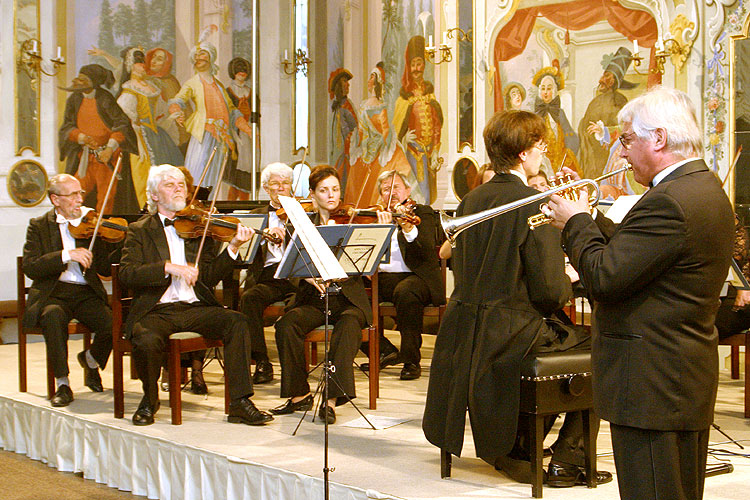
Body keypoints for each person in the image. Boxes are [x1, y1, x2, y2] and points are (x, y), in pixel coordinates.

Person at [547, 86, 734, 500]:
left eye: (628, 139)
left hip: (651, 383)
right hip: (679, 376)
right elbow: (647, 255)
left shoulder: (667, 201)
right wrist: (592, 217)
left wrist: (575, 223)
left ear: (660, 139)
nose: (622, 151)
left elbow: (604, 277)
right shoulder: (703, 188)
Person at [423, 110, 611, 487]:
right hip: (510, 332)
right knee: (603, 347)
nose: (542, 153)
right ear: (524, 154)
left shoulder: (472, 200)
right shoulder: (533, 204)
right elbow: (548, 293)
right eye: (539, 146)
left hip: (466, 327)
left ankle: (520, 446)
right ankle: (568, 460)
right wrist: (570, 277)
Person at [119, 164, 273, 427]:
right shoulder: (140, 230)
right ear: (155, 195)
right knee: (145, 339)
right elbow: (127, 274)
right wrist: (167, 267)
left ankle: (240, 402)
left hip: (194, 308)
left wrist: (233, 247)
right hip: (157, 310)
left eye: (181, 185)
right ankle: (149, 399)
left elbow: (210, 277)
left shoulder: (199, 228)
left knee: (237, 322)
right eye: (170, 185)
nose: (179, 188)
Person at [271, 165, 372, 424]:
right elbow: (290, 268)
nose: (331, 196)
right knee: (286, 325)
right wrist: (307, 275)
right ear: (313, 195)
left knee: (348, 324)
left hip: (348, 299)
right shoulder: (300, 225)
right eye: (324, 190)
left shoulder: (353, 223)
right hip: (315, 299)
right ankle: (299, 394)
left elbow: (369, 263)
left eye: (335, 189)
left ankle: (331, 399)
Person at [22, 174, 119, 407]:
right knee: (53, 316)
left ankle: (91, 360)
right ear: (56, 199)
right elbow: (31, 266)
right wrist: (66, 255)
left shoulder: (89, 224)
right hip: (53, 293)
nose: (79, 199)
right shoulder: (39, 225)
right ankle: (63, 383)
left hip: (85, 292)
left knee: (113, 324)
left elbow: (105, 269)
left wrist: (109, 241)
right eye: (73, 194)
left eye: (80, 193)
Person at [361, 170, 444, 380]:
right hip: (383, 279)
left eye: (396, 187)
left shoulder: (422, 213)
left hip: (417, 277)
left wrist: (407, 229)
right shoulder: (377, 217)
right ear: (380, 195)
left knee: (406, 291)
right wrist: (379, 230)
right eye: (386, 189)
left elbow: (425, 250)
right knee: (350, 295)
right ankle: (383, 351)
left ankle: (410, 359)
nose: (392, 193)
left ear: (407, 190)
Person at [239, 162, 298, 385]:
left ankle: (293, 366)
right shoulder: (255, 216)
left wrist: (289, 229)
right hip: (269, 276)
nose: (281, 187)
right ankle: (262, 360)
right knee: (249, 299)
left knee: (297, 308)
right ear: (266, 188)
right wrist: (260, 236)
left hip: (298, 275)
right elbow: (244, 255)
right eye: (276, 184)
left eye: (286, 183)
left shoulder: (301, 212)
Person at [168, 42, 254, 194]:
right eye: (195, 56)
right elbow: (178, 100)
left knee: (214, 176)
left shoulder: (219, 85)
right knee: (198, 172)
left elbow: (232, 110)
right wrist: (177, 111)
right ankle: (193, 204)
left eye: (202, 55)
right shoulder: (193, 83)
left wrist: (247, 128)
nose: (198, 58)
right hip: (203, 134)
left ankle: (207, 208)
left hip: (221, 137)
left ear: (210, 58)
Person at [58, 64, 138, 213]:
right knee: (74, 193)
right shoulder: (74, 100)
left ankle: (104, 231)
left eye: (83, 79)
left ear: (93, 82)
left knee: (106, 199)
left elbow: (122, 125)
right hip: (86, 157)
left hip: (108, 159)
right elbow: (67, 127)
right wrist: (80, 137)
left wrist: (109, 149)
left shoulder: (104, 98)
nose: (77, 81)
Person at [116, 47, 183, 209]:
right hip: (139, 137)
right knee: (144, 175)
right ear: (130, 66)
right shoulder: (129, 89)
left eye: (143, 64)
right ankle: (147, 208)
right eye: (138, 64)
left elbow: (159, 114)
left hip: (157, 136)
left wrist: (171, 118)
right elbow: (125, 118)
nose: (142, 67)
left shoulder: (151, 87)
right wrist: (137, 138)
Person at [346, 62, 411, 207]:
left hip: (376, 145)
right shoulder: (366, 104)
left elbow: (385, 130)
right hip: (366, 146)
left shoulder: (379, 106)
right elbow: (364, 130)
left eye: (372, 77)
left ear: (376, 81)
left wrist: (380, 145)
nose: (369, 81)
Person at [393, 35, 443, 204]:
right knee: (420, 195)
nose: (416, 68)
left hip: (429, 153)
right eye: (413, 64)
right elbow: (397, 130)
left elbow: (436, 124)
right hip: (413, 152)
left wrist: (436, 149)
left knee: (428, 195)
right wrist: (404, 139)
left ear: (424, 65)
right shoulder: (404, 98)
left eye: (419, 63)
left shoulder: (430, 94)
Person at [577, 47, 635, 180]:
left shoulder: (620, 101)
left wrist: (603, 131)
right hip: (591, 154)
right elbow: (585, 126)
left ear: (615, 80)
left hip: (609, 155)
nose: (601, 80)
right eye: (603, 75)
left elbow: (624, 130)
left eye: (607, 76)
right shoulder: (595, 101)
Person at [532, 62, 579, 176]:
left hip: (561, 163)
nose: (546, 93)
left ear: (554, 91)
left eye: (549, 89)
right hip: (543, 165)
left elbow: (571, 136)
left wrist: (567, 154)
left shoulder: (560, 113)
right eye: (543, 89)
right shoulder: (535, 116)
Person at [226, 57, 261, 201]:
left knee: (250, 167)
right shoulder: (228, 92)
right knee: (236, 173)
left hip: (251, 133)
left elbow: (256, 113)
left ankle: (246, 201)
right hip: (236, 134)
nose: (242, 73)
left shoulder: (251, 93)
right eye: (239, 70)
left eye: (244, 71)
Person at [715, 213, 750, 338]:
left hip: (741, 300)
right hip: (730, 294)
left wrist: (744, 287)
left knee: (704, 329)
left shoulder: (739, 235)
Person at [328, 68, 358, 195]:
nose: (348, 84)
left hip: (346, 151)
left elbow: (355, 128)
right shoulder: (337, 106)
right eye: (344, 81)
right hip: (337, 151)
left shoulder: (347, 105)